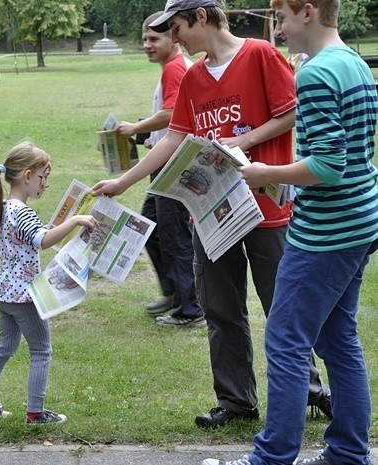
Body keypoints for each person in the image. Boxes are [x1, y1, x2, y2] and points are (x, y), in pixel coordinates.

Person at [92, 0, 330, 429]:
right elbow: (176, 136)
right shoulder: (195, 76)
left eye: (178, 26)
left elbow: (291, 112)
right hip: (210, 212)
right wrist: (124, 181)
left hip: (266, 208)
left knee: (282, 305)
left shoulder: (260, 54)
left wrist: (238, 147)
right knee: (220, 307)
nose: (176, 37)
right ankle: (236, 400)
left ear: (202, 16)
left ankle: (308, 391)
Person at [203, 0, 378, 464]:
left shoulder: (316, 73)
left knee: (285, 340)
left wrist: (265, 174)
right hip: (360, 223)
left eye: (281, 17)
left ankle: (271, 457)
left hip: (326, 232)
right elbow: (354, 155)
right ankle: (347, 453)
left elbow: (328, 165)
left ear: (307, 12)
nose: (277, 28)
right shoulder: (354, 63)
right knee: (338, 338)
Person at [0, 141, 97, 425]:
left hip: (4, 293)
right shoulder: (22, 212)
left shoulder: (4, 207)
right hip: (24, 298)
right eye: (43, 177)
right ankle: (36, 413)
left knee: (6, 346)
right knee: (41, 350)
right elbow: (42, 240)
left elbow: (34, 237)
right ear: (27, 176)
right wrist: (74, 220)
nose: (45, 184)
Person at [116, 11, 203, 327]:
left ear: (173, 39)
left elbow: (171, 114)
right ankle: (172, 291)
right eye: (144, 39)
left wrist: (135, 127)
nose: (147, 45)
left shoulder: (175, 69)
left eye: (155, 39)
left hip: (173, 166)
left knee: (174, 235)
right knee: (151, 227)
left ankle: (190, 309)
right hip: (165, 163)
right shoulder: (173, 68)